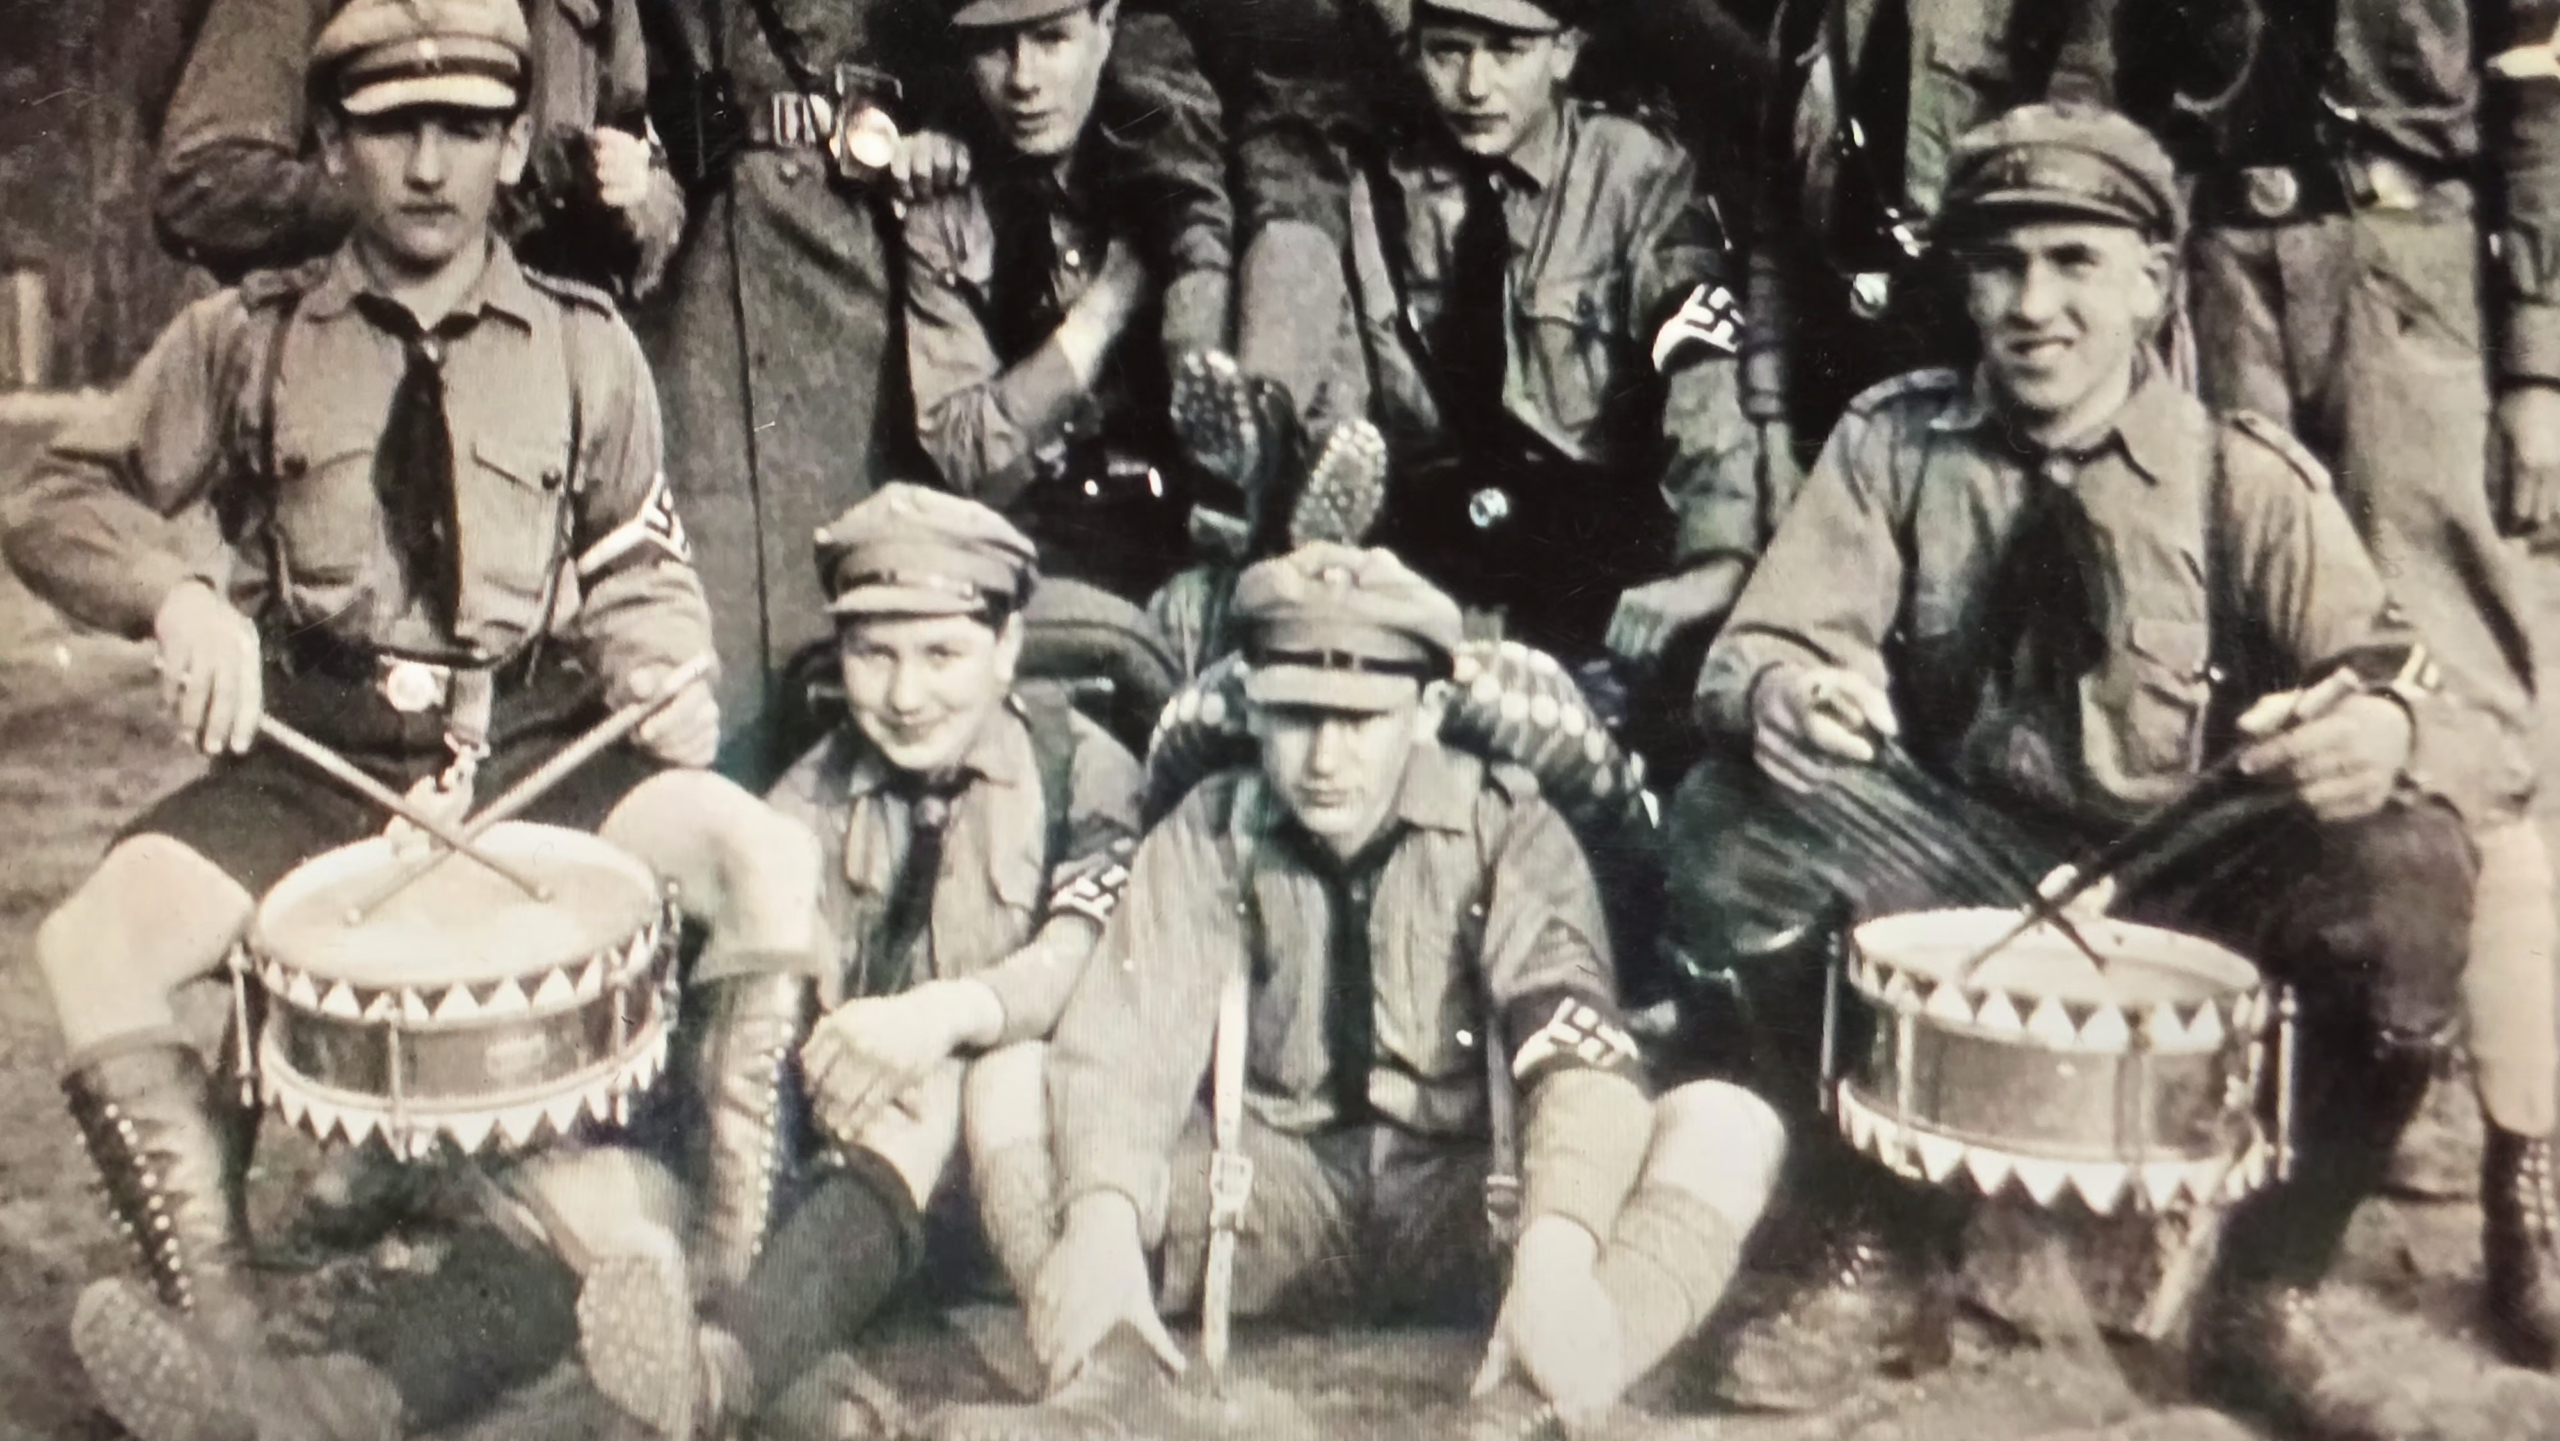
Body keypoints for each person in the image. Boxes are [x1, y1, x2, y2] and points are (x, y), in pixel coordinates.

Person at [0, 2, 830, 1434]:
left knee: (763, 859)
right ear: (331, 139)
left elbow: (638, 556)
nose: (430, 166)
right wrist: (176, 603)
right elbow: (59, 498)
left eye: (465, 128)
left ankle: (726, 1290)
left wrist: (667, 668)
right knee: (92, 949)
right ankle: (233, 1350)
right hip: (321, 756)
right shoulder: (242, 342)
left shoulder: (584, 342)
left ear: (517, 142)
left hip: (540, 743)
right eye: (391, 128)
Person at [1662, 102, 2486, 1428]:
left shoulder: (2241, 475)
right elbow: (1758, 653)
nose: (2032, 304)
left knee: (2411, 866)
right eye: (1999, 264)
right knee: (1726, 820)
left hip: (2181, 876)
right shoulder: (1893, 444)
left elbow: (2400, 677)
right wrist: (1789, 694)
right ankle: (1881, 1243)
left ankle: (2268, 1286)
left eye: (2075, 261)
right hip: (1954, 875)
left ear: (2155, 281)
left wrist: (2377, 730)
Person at [957, 542, 1788, 1441]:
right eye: (1296, 716)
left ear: (1427, 710)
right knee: (1008, 1082)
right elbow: (1128, 1045)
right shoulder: (1211, 826)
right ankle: (1110, 1380)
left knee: (1725, 1125)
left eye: (1361, 719)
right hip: (1260, 1195)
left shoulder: (1506, 825)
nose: (1324, 756)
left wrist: (1554, 1256)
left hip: (1468, 1200)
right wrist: (1102, 1226)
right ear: (1255, 707)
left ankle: (1535, 1406)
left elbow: (1576, 1054)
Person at [2092, 0, 2560, 1375]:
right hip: (2209, 269)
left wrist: (2541, 359)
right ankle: (2249, 1182)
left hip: (2410, 269)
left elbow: (2540, 78)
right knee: (2251, 697)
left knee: (2471, 723)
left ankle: (2524, 1174)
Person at [574, 483, 1146, 1441]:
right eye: (872, 655)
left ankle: (768, 1371)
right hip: (856, 1184)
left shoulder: (1082, 766)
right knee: (637, 1188)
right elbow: (784, 990)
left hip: (1021, 1159)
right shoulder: (814, 788)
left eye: (942, 654)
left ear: (1007, 647)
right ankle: (733, 1371)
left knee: (957, 1077)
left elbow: (1077, 958)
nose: (906, 694)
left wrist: (940, 1016)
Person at [634, 0, 1224, 782]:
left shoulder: (1172, 175)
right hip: (1044, 547)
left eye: (1051, 40)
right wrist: (1108, 306)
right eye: (995, 50)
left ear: (1107, 29)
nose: (1025, 80)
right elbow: (967, 446)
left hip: (1189, 539)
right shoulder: (950, 207)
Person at [1331, 0, 1765, 732]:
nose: (1474, 85)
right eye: (1448, 51)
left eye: (1507, 51)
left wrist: (1715, 560)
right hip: (1435, 568)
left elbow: (1702, 371)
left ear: (1564, 52)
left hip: (1589, 575)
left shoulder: (1633, 174)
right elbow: (1345, 397)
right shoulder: (1377, 189)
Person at [154, 0, 687, 296]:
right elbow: (201, 184)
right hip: (359, 390)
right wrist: (401, 202)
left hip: (539, 414)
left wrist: (638, 198)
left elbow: (646, 163)